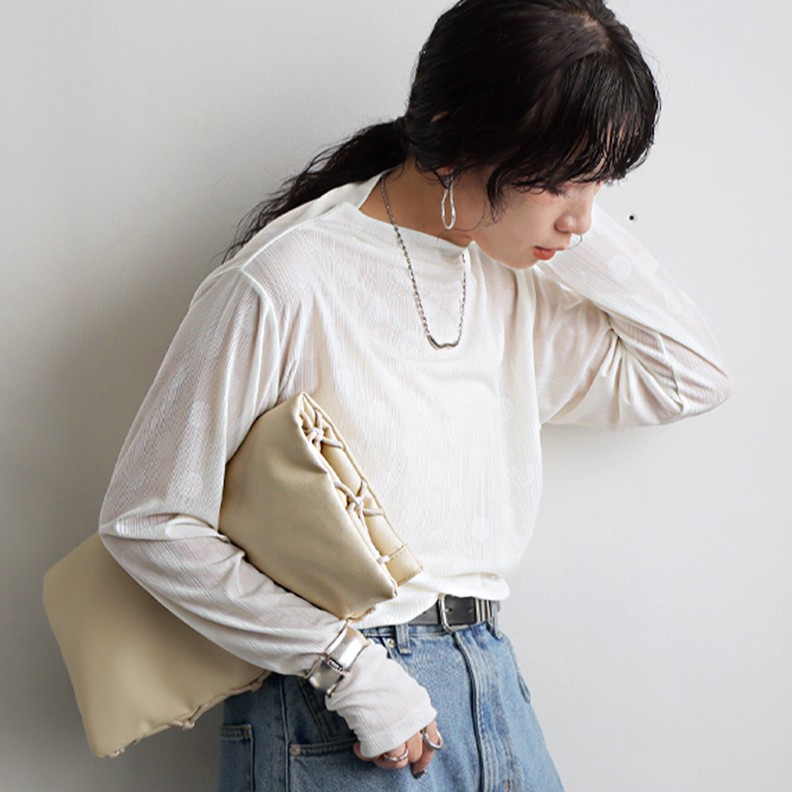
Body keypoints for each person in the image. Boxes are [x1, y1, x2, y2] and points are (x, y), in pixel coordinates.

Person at [98, 0, 732, 790]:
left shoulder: (508, 277)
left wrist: (554, 205)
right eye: (557, 178)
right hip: (343, 708)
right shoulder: (289, 277)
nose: (581, 220)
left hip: (488, 675)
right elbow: (148, 519)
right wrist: (349, 668)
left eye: (600, 181)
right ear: (454, 132)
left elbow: (689, 375)